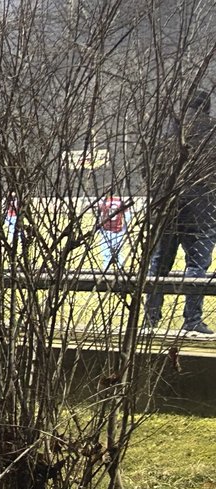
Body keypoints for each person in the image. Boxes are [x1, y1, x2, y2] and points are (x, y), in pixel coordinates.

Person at [144, 90, 216, 335]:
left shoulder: (165, 132)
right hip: (204, 210)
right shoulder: (212, 131)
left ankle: (150, 320)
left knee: (159, 266)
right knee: (197, 267)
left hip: (167, 208)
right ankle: (193, 320)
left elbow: (148, 171)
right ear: (207, 107)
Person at [94, 194, 129, 270]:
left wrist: (100, 230)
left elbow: (99, 217)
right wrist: (124, 230)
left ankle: (106, 272)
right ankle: (120, 271)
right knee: (118, 254)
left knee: (106, 255)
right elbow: (128, 216)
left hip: (106, 232)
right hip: (118, 232)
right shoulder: (121, 202)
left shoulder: (104, 202)